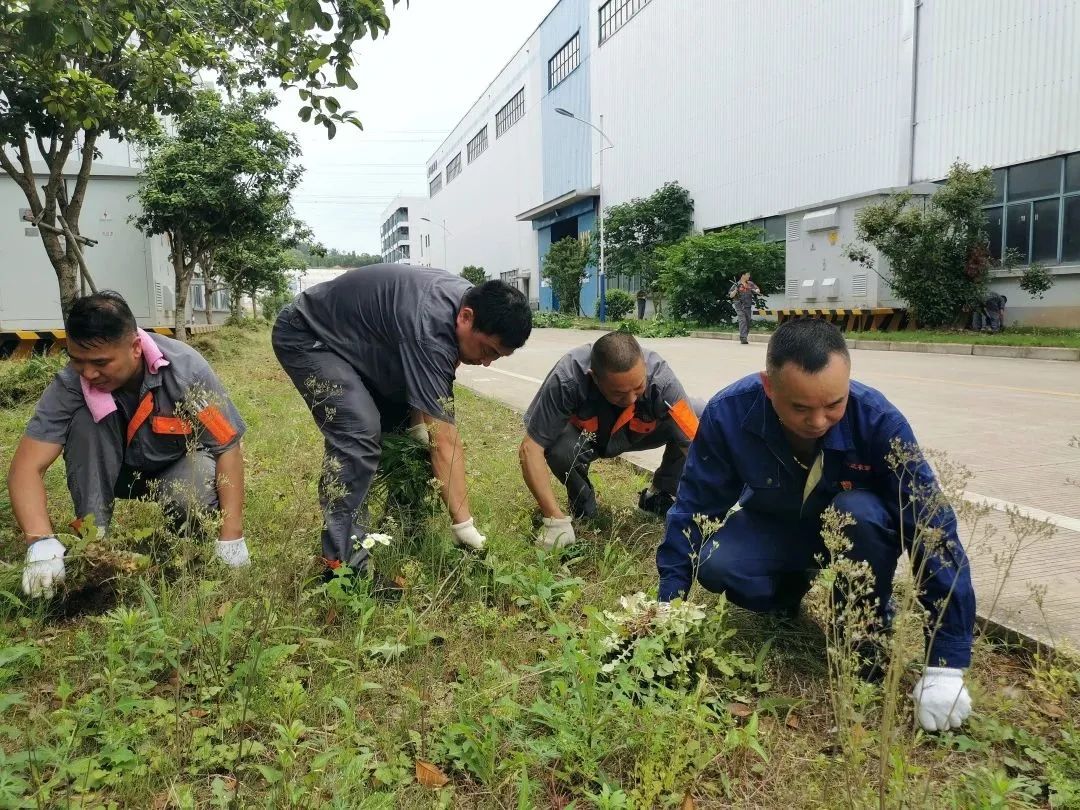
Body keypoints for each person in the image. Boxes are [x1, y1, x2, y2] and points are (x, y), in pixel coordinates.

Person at [656, 318, 976, 732]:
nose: (819, 421)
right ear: (769, 387)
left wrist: (945, 665)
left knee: (860, 511)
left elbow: (933, 531)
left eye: (833, 405)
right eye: (800, 408)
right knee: (717, 563)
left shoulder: (879, 422)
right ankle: (787, 595)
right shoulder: (730, 413)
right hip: (777, 529)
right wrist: (669, 604)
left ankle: (863, 630)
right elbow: (694, 506)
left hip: (857, 538)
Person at [272, 264, 532, 583]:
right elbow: (445, 439)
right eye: (487, 350)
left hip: (365, 345)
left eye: (497, 356)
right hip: (310, 334)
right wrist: (464, 526)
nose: (487, 362)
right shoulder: (430, 324)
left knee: (411, 445)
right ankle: (343, 570)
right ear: (466, 317)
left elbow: (431, 396)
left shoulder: (469, 305)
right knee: (359, 432)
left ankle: (402, 533)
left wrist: (417, 429)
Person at [10, 292, 249, 599]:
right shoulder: (71, 384)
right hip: (115, 473)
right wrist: (40, 540)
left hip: (175, 466)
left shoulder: (187, 371)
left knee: (190, 500)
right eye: (77, 360)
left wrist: (232, 536)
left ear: (135, 348)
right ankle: (94, 545)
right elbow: (26, 467)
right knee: (84, 421)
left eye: (100, 362)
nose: (89, 373)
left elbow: (227, 446)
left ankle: (187, 544)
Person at [519, 331, 702, 549]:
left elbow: (695, 447)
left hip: (639, 433)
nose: (631, 399)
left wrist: (707, 506)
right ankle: (583, 507)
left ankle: (658, 495)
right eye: (619, 394)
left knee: (700, 417)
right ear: (594, 377)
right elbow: (531, 449)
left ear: (644, 367)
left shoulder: (663, 381)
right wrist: (553, 519)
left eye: (638, 388)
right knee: (559, 448)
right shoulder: (567, 378)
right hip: (587, 439)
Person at [728, 272, 760, 344]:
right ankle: (743, 337)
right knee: (742, 320)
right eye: (748, 275)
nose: (749, 276)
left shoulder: (750, 283)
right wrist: (736, 290)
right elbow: (731, 295)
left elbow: (757, 289)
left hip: (747, 305)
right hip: (739, 305)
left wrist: (757, 290)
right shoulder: (736, 284)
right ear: (743, 275)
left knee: (748, 321)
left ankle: (745, 336)